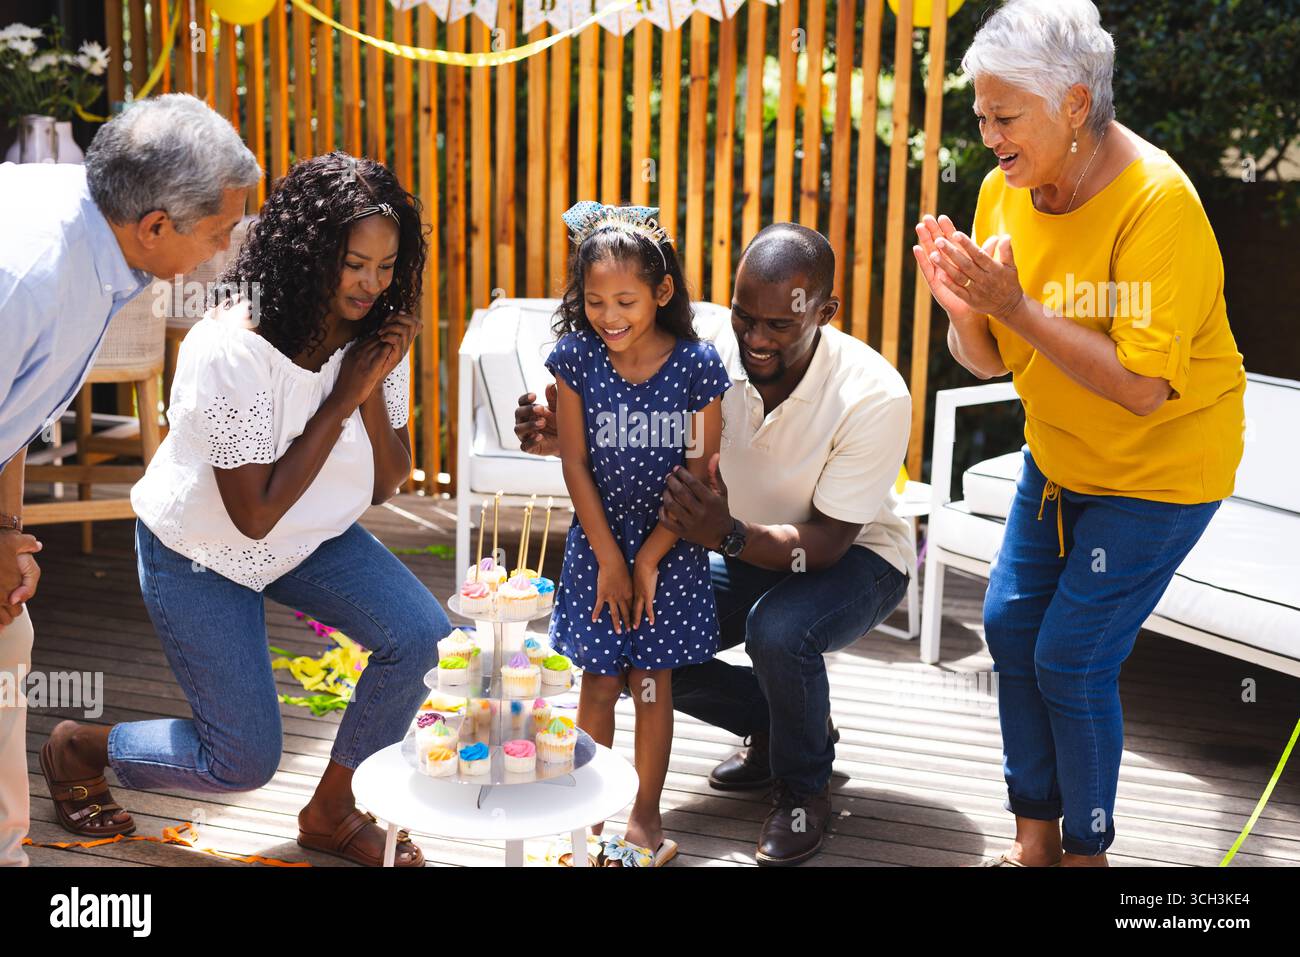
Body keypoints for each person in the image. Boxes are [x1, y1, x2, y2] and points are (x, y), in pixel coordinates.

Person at [38, 152, 447, 867]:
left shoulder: (378, 332)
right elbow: (251, 516)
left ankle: (331, 809)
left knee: (422, 638)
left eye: (386, 266)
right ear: (309, 251)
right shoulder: (232, 348)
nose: (370, 284)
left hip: (309, 535)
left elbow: (386, 483)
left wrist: (374, 380)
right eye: (354, 264)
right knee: (240, 762)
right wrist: (347, 392)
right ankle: (80, 744)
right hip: (202, 550)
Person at [914, 0, 1246, 867]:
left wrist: (1014, 304)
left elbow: (1142, 386)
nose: (986, 133)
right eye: (981, 114)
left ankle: (1086, 853)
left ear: (1071, 104)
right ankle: (1034, 843)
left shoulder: (1156, 203)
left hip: (1162, 472)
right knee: (1010, 627)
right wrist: (966, 310)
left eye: (1003, 114)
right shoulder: (1006, 188)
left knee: (1069, 656)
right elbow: (986, 361)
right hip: (1060, 461)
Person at [517, 223, 913, 865]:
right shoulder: (703, 351)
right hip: (728, 541)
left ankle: (801, 788)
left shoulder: (872, 392)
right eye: (743, 318)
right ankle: (782, 722)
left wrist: (720, 533)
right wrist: (558, 431)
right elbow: (628, 433)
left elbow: (831, 542)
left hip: (851, 558)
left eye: (778, 326)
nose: (755, 340)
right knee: (657, 647)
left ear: (825, 312)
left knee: (779, 631)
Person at [0, 93, 258, 866]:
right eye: (217, 232)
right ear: (154, 225)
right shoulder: (32, 276)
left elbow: (13, 408)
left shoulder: (96, 242)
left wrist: (8, 532)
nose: (224, 249)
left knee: (11, 639)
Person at [543, 202, 729, 866]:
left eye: (625, 298)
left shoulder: (699, 366)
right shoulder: (575, 359)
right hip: (596, 544)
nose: (609, 314)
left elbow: (698, 475)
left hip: (670, 549)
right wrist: (610, 560)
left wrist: (647, 559)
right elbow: (574, 462)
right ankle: (588, 814)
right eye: (595, 300)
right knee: (596, 682)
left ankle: (645, 816)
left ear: (663, 292)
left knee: (652, 681)